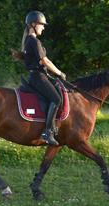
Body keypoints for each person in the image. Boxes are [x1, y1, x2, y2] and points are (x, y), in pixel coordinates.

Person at [19, 10, 66, 146]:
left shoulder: (29, 41)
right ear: (33, 24)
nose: (43, 27)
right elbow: (45, 61)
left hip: (38, 76)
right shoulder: (34, 41)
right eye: (42, 24)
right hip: (38, 77)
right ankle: (48, 131)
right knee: (56, 99)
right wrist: (59, 73)